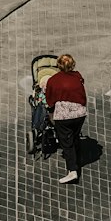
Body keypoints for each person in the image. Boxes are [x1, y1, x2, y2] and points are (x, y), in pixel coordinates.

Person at [44, 54, 87, 185]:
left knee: (66, 143)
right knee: (74, 135)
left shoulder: (53, 80)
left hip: (64, 116)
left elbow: (50, 101)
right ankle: (76, 153)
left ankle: (72, 171)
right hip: (80, 113)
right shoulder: (78, 76)